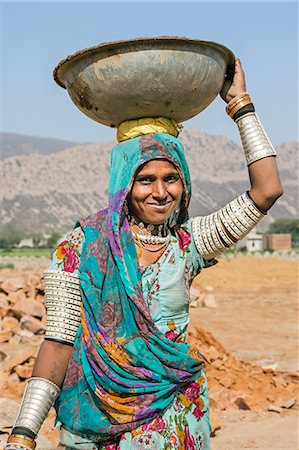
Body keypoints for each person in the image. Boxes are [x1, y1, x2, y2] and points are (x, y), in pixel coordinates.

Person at [5, 59, 282, 450]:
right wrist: (23, 433)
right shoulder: (81, 246)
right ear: (124, 183)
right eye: (145, 179)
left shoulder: (189, 242)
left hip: (173, 420)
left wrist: (240, 104)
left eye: (171, 178)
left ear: (184, 183)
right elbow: (58, 341)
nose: (160, 191)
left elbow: (267, 190)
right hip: (95, 424)